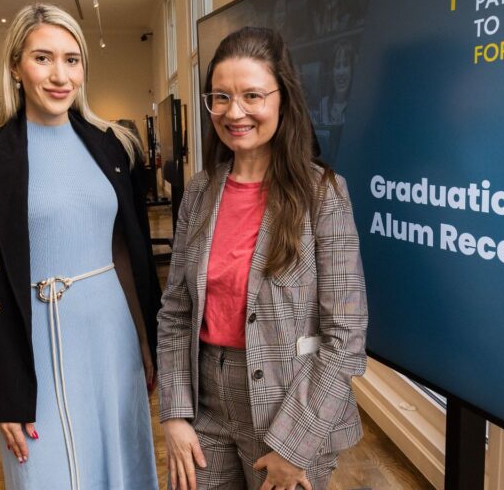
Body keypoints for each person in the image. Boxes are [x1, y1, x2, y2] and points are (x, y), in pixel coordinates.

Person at [0, 3, 161, 490]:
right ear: (16, 66)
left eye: (72, 59)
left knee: (119, 466)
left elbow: (128, 253)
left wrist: (148, 343)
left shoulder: (114, 145)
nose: (60, 75)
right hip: (27, 340)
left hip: (111, 334)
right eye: (43, 58)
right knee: (43, 475)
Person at [158, 27, 369, 490]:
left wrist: (296, 445)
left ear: (282, 99)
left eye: (252, 95)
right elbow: (176, 310)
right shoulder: (199, 191)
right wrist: (174, 413)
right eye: (221, 97)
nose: (235, 112)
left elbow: (346, 336)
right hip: (206, 404)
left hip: (291, 403)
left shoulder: (323, 193)